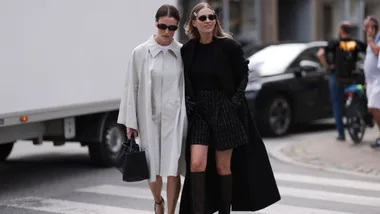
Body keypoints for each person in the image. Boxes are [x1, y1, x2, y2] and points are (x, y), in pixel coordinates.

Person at [178, 2, 281, 214]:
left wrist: (233, 102)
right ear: (194, 23)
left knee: (222, 167)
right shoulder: (188, 50)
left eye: (212, 17)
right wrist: (188, 101)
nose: (208, 21)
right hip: (199, 112)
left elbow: (243, 74)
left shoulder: (229, 46)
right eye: (203, 18)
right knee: (196, 164)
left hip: (224, 110)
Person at [117, 4, 187, 214]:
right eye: (162, 26)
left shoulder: (183, 53)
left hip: (175, 119)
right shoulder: (140, 53)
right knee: (152, 170)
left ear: (177, 27)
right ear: (155, 23)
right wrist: (131, 122)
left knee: (173, 170)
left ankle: (171, 212)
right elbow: (131, 88)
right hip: (149, 119)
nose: (167, 32)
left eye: (172, 28)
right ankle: (158, 201)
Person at [317, 21, 366, 141]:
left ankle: (341, 133)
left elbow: (320, 54)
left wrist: (328, 66)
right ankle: (356, 125)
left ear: (340, 30)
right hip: (351, 78)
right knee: (355, 101)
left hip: (336, 78)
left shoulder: (334, 43)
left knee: (337, 105)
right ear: (349, 31)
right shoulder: (356, 43)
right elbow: (369, 52)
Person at [363, 16, 380, 148]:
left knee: (373, 107)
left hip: (378, 80)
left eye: (367, 27)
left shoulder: (376, 39)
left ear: (374, 28)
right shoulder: (372, 40)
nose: (365, 29)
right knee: (373, 108)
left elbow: (376, 51)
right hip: (371, 81)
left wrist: (370, 39)